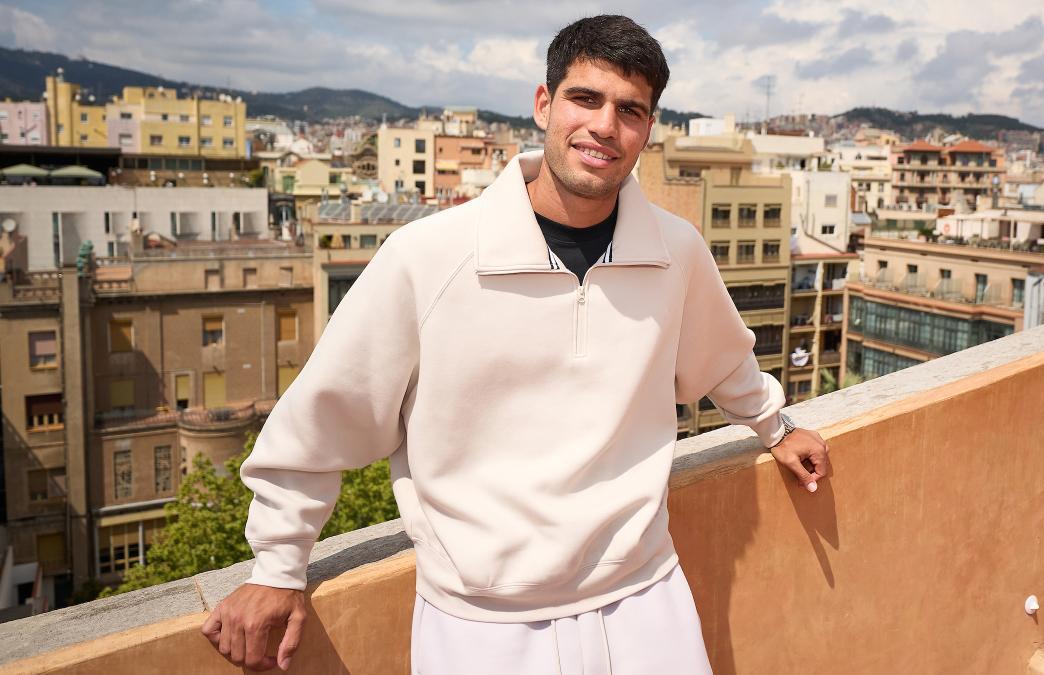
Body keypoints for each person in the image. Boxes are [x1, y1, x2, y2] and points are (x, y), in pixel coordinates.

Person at [201, 14, 830, 674]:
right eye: (585, 99)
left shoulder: (676, 251)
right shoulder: (429, 257)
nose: (605, 126)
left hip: (647, 601)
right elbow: (324, 417)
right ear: (543, 104)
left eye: (630, 110)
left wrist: (774, 423)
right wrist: (277, 563)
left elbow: (722, 356)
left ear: (647, 130)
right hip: (481, 625)